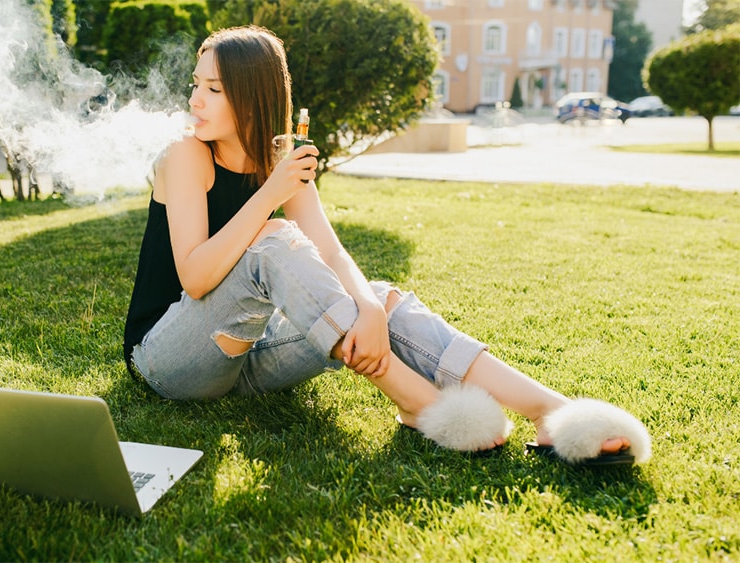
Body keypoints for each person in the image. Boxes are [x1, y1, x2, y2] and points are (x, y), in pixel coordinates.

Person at [123, 25, 651, 465]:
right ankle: (418, 402)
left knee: (382, 297)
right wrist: (269, 197)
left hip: (246, 363)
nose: (195, 99)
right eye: (197, 84)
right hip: (169, 360)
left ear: (252, 93)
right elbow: (194, 277)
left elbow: (329, 252)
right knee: (272, 240)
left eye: (213, 89)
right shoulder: (186, 156)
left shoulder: (282, 157)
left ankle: (554, 413)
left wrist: (371, 307)